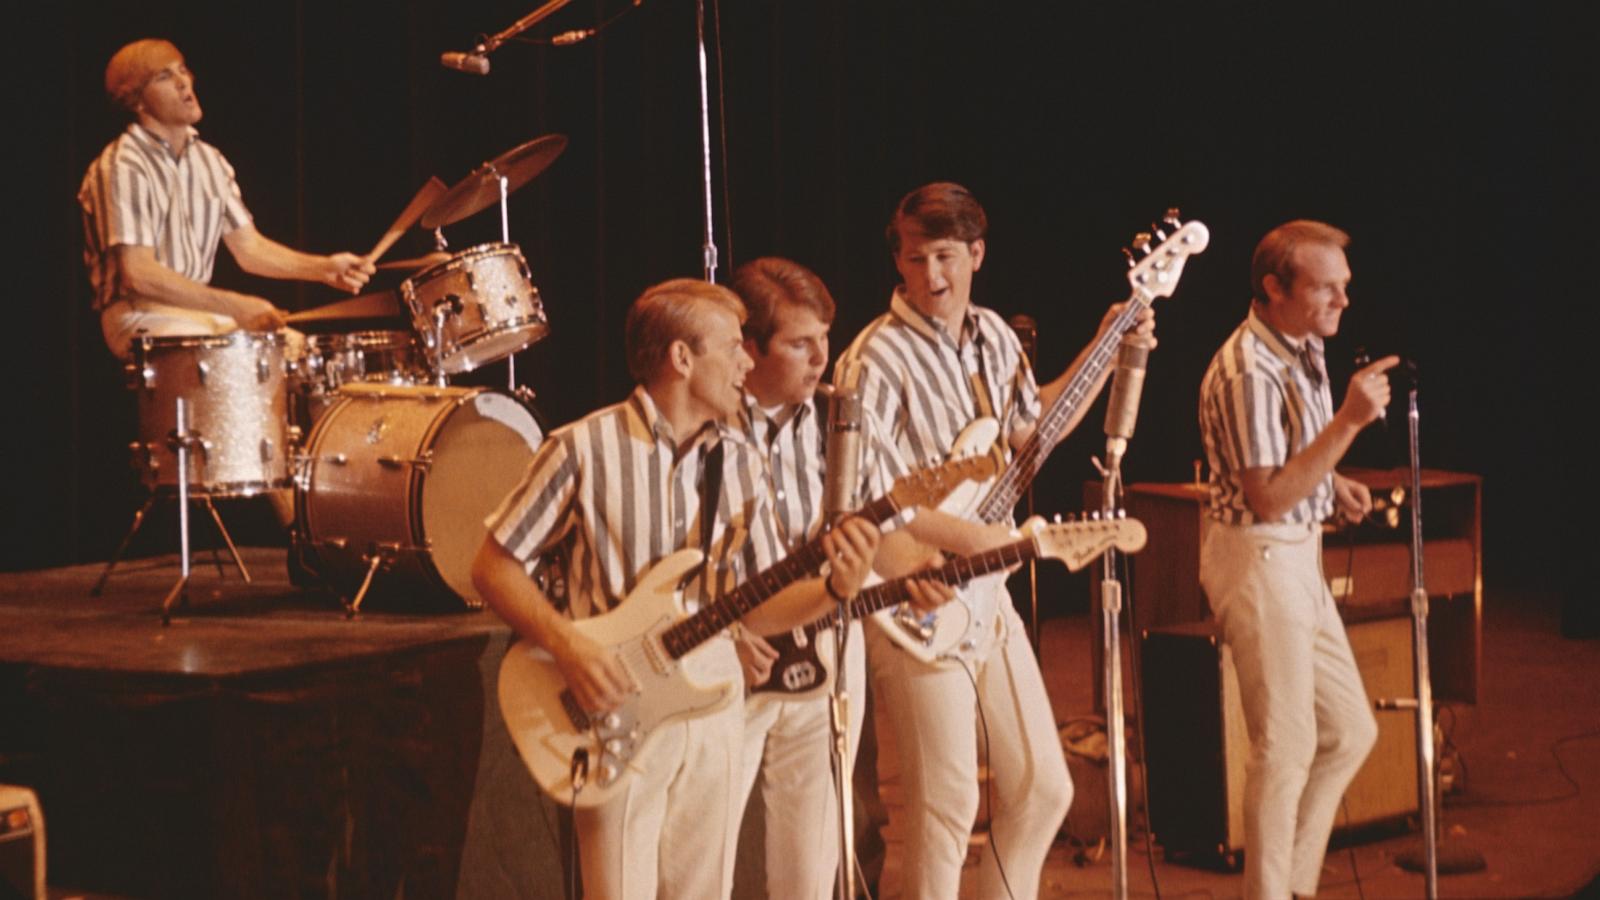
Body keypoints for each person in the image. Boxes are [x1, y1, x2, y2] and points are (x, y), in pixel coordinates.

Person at [471, 278, 889, 899]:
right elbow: (492, 566)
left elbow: (756, 603)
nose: (748, 361)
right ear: (682, 358)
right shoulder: (583, 448)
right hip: (614, 701)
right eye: (732, 347)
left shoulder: (740, 461)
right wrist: (570, 648)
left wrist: (834, 589)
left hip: (713, 697)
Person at [834, 182, 1153, 898]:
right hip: (909, 593)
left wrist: (1107, 347)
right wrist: (973, 536)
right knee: (940, 808)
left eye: (945, 257)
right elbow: (868, 501)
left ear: (976, 253)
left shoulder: (994, 336)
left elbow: (1026, 434)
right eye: (915, 260)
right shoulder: (872, 360)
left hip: (985, 589)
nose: (931, 278)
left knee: (1043, 787)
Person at [725, 257, 953, 899]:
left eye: (824, 337)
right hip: (729, 657)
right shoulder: (710, 423)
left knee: (813, 856)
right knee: (702, 856)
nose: (821, 357)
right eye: (800, 343)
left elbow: (884, 534)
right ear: (750, 347)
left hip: (822, 646)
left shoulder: (841, 421)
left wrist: (922, 574)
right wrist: (725, 632)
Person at [1196, 219, 1393, 900]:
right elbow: (1271, 495)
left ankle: (1292, 887)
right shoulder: (1250, 368)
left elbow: (1289, 460)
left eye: (1344, 287)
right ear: (1275, 289)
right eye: (1325, 289)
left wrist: (1332, 481)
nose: (1342, 301)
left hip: (1297, 556)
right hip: (1259, 558)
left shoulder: (1301, 343)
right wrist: (1349, 422)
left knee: (1348, 730)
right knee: (1283, 752)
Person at [79, 38, 374, 359]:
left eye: (183, 70)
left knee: (302, 351)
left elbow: (250, 249)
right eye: (164, 77)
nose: (183, 82)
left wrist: (324, 268)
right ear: (136, 100)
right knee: (228, 350)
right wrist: (235, 306)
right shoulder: (122, 164)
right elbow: (139, 274)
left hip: (195, 312)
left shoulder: (210, 160)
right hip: (139, 314)